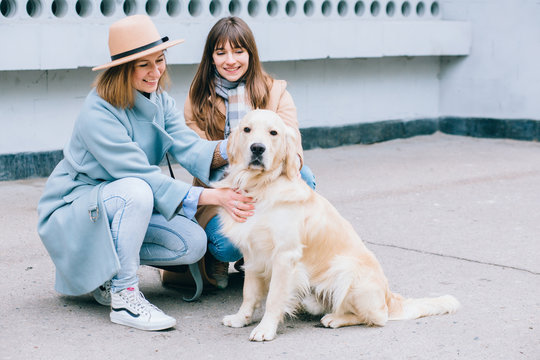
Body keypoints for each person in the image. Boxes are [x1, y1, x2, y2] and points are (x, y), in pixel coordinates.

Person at [36, 15, 253, 332]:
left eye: (160, 60)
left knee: (193, 243)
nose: (156, 72)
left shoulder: (160, 100)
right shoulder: (98, 111)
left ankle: (107, 273)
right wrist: (214, 195)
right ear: (123, 69)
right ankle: (125, 295)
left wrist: (241, 144)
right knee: (137, 190)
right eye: (144, 65)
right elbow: (142, 178)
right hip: (74, 212)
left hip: (125, 204)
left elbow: (190, 148)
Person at [182, 16, 316, 289]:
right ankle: (227, 256)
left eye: (238, 51)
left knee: (305, 177)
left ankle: (266, 254)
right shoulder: (197, 99)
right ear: (211, 58)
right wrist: (237, 148)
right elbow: (195, 156)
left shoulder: (275, 92)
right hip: (220, 185)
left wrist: (263, 160)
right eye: (221, 53)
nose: (230, 60)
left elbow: (294, 150)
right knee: (225, 246)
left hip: (269, 181)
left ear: (250, 54)